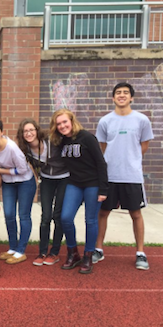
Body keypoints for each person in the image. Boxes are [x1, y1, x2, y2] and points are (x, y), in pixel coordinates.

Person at [94, 82, 154, 270]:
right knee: (103, 213)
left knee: (136, 214)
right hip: (110, 177)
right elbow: (103, 148)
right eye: (118, 93)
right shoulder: (105, 121)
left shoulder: (142, 120)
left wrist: (130, 161)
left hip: (132, 177)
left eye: (125, 93)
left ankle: (140, 253)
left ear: (131, 97)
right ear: (113, 98)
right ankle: (98, 249)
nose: (122, 95)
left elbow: (143, 147)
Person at [50, 109, 108, 274]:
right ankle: (73, 253)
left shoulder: (87, 137)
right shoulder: (61, 141)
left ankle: (88, 256)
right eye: (58, 124)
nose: (62, 126)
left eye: (64, 122)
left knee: (90, 220)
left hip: (93, 184)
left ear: (72, 121)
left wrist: (103, 188)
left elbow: (101, 163)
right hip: (74, 183)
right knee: (65, 218)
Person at [16, 119, 69, 266]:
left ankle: (54, 252)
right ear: (22, 134)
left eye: (31, 130)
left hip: (64, 178)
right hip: (47, 180)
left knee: (58, 216)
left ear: (37, 130)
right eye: (25, 131)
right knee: (46, 216)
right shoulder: (25, 149)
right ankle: (42, 252)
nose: (29, 133)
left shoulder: (52, 140)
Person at [0, 118, 36, 264]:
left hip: (25, 181)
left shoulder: (12, 148)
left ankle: (21, 251)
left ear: (2, 132)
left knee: (23, 216)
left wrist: (0, 170)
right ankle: (12, 248)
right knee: (8, 214)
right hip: (9, 182)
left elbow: (22, 169)